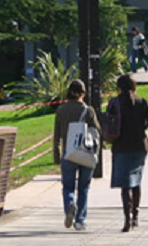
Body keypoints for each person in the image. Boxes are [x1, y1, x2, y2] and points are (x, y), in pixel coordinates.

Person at [107, 74, 148, 232]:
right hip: (139, 146)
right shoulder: (141, 102)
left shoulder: (114, 103)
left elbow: (110, 123)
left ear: (119, 87)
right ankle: (135, 216)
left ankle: (126, 218)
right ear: (134, 86)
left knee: (125, 185)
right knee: (136, 181)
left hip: (120, 146)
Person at [52, 79, 102, 233]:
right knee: (84, 187)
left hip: (69, 153)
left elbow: (57, 134)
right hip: (86, 153)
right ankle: (80, 220)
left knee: (68, 186)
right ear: (83, 93)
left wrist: (56, 152)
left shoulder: (61, 110)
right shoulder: (89, 111)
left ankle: (70, 205)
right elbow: (97, 131)